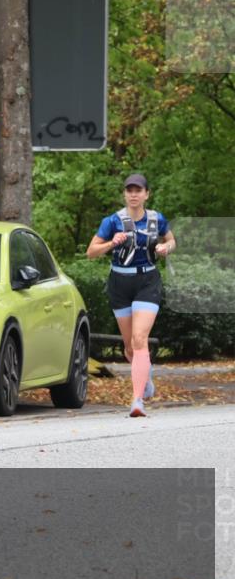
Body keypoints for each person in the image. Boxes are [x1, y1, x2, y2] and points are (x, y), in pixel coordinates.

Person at [86, 173, 176, 418]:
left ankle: (137, 401)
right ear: (125, 194)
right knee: (129, 348)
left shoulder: (157, 219)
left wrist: (165, 247)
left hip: (147, 281)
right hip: (120, 283)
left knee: (139, 339)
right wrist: (111, 244)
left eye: (138, 191)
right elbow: (91, 252)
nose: (134, 195)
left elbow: (171, 241)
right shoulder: (112, 221)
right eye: (130, 191)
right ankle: (145, 376)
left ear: (147, 194)